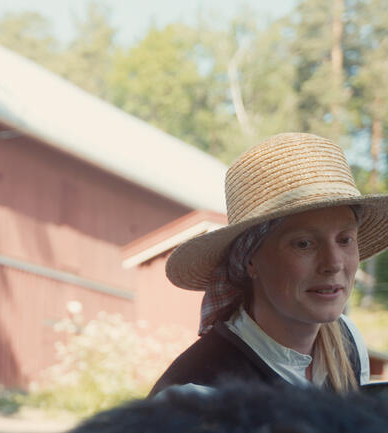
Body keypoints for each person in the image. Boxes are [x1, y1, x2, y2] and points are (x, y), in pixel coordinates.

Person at [151, 132, 388, 395]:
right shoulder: (201, 395)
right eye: (303, 243)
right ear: (250, 259)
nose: (333, 264)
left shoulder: (346, 342)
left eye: (345, 240)